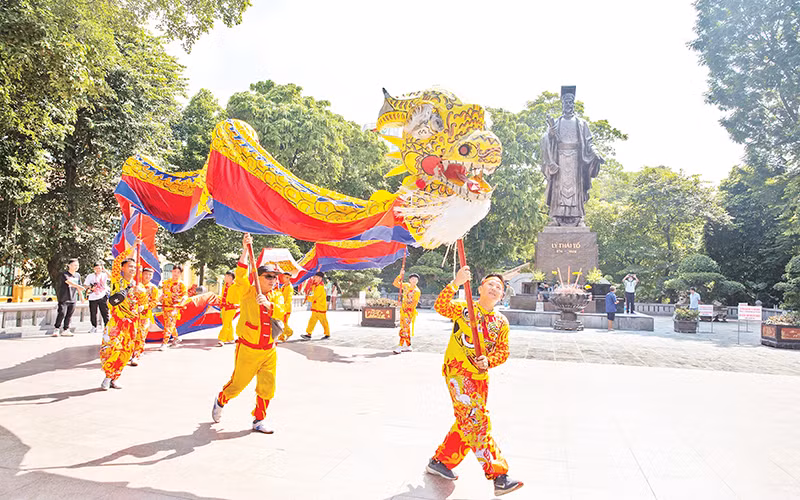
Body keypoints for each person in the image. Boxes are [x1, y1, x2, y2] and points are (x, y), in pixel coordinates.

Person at [425, 266, 523, 497]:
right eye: (490, 284)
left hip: (480, 378)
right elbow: (440, 306)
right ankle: (499, 476)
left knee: (467, 420)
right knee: (476, 421)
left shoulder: (501, 322)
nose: (494, 288)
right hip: (459, 373)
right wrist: (456, 282)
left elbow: (503, 352)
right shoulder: (464, 309)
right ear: (480, 288)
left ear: (502, 295)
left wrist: (488, 361)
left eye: (498, 287)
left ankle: (441, 461)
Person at [211, 233, 285, 433]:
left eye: (275, 277)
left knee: (267, 387)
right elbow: (241, 275)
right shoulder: (247, 291)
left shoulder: (276, 296)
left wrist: (268, 305)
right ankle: (221, 400)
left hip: (269, 350)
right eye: (268, 276)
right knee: (237, 385)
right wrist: (245, 250)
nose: (273, 280)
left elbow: (282, 312)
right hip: (248, 350)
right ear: (258, 278)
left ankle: (259, 419)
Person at [540, 86, 605, 227]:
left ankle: (578, 218)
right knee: (558, 189)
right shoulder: (556, 123)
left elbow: (589, 142)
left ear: (573, 104)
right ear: (562, 104)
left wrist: (595, 153)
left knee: (576, 190)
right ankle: (556, 217)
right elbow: (546, 139)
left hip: (576, 160)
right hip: (560, 159)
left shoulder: (581, 123)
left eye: (571, 102)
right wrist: (550, 134)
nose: (568, 105)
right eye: (566, 102)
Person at [100, 245, 141, 390]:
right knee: (112, 349)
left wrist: (142, 303)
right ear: (123, 268)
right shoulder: (117, 280)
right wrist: (134, 247)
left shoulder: (137, 285)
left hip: (132, 324)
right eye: (130, 266)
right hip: (117, 323)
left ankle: (115, 378)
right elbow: (117, 261)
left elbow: (142, 303)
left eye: (134, 267)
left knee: (126, 352)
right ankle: (107, 377)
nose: (132, 269)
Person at [131, 267, 159, 366]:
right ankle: (130, 353)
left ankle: (136, 356)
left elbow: (155, 302)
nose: (147, 276)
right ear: (142, 274)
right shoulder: (136, 285)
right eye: (146, 274)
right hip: (132, 313)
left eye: (150, 275)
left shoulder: (153, 288)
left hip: (144, 315)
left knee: (141, 335)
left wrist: (145, 306)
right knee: (132, 334)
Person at [53, 258, 84, 337]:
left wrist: (81, 297)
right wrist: (79, 286)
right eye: (74, 265)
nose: (76, 267)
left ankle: (66, 329)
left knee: (69, 315)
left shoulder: (77, 275)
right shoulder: (64, 274)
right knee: (62, 313)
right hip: (64, 298)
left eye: (77, 265)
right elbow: (68, 282)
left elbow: (78, 287)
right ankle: (56, 328)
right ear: (69, 266)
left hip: (73, 298)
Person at [392, 271, 421, 354]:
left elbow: (413, 303)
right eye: (412, 278)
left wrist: (404, 302)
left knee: (404, 328)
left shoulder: (417, 291)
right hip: (403, 310)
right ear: (409, 280)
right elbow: (395, 283)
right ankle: (408, 345)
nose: (414, 280)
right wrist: (400, 275)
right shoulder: (406, 286)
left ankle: (400, 346)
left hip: (409, 312)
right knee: (406, 328)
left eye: (416, 279)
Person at [160, 265, 187, 349]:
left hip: (174, 307)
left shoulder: (181, 284)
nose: (176, 274)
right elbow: (163, 293)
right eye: (175, 271)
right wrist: (159, 300)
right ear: (172, 271)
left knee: (169, 324)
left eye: (178, 272)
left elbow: (185, 295)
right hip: (165, 306)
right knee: (169, 323)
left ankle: (164, 342)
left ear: (180, 274)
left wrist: (181, 304)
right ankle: (176, 338)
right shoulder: (166, 282)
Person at [301, 272, 330, 340]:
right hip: (315, 307)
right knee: (312, 321)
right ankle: (308, 334)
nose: (314, 278)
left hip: (320, 308)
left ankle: (327, 334)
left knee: (323, 322)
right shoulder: (316, 285)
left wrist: (307, 297)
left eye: (316, 277)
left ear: (320, 278)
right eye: (314, 277)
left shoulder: (320, 287)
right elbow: (311, 287)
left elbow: (314, 297)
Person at [84, 262, 110, 334]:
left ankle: (107, 326)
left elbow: (111, 277)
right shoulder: (90, 276)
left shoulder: (104, 275)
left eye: (99, 268)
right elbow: (85, 285)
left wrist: (105, 270)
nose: (98, 270)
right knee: (93, 312)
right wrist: (91, 287)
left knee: (105, 312)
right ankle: (94, 326)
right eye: (96, 268)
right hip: (93, 296)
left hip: (103, 295)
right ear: (93, 269)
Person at [217, 271, 240, 346]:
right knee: (227, 323)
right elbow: (223, 295)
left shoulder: (236, 286)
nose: (225, 278)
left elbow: (240, 295)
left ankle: (222, 339)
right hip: (224, 306)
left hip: (231, 307)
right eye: (225, 276)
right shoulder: (225, 285)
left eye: (227, 276)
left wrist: (238, 304)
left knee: (226, 323)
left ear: (231, 278)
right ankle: (230, 338)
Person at [276, 272, 295, 342]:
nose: (285, 279)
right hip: (282, 307)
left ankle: (284, 335)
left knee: (283, 322)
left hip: (286, 308)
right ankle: (288, 332)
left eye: (287, 277)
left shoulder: (290, 287)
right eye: (284, 277)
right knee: (283, 322)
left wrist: (285, 307)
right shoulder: (283, 286)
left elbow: (289, 299)